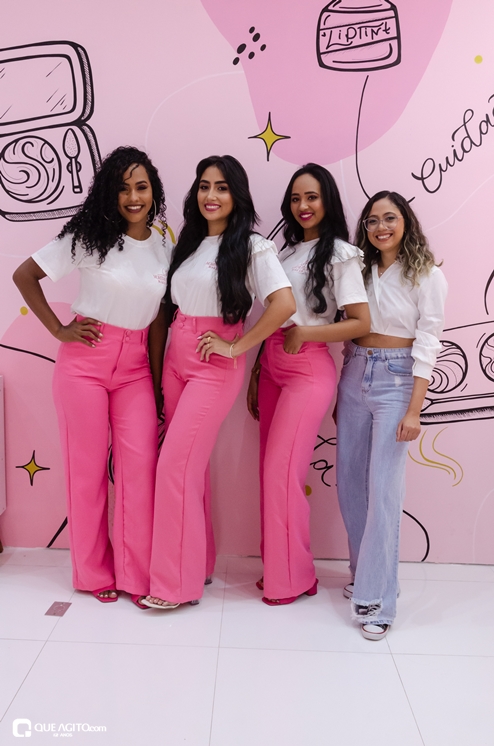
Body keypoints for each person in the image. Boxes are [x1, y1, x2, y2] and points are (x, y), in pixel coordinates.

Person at [13, 146, 170, 608]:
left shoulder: (164, 245)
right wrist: (59, 329)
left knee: (139, 471)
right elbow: (24, 275)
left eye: (141, 187)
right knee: (86, 473)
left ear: (154, 191)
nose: (133, 197)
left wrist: (156, 383)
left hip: (136, 368)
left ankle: (135, 573)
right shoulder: (88, 236)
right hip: (85, 363)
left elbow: (158, 320)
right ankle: (93, 572)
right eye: (123, 189)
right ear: (109, 193)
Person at [143, 155, 296, 609]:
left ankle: (174, 586)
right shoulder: (189, 243)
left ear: (237, 195)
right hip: (177, 358)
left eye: (222, 187)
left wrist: (237, 346)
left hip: (214, 363)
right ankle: (198, 565)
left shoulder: (251, 246)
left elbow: (283, 304)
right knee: (192, 469)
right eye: (205, 186)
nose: (211, 195)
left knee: (174, 467)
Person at [246, 163, 370, 605]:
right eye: (296, 198)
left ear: (327, 201)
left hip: (308, 368)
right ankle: (280, 568)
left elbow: (360, 321)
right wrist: (257, 369)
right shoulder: (284, 254)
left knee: (283, 474)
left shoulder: (341, 253)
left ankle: (294, 578)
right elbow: (272, 314)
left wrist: (306, 332)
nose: (303, 205)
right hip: (271, 366)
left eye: (312, 197)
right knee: (269, 472)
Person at [336, 191, 448, 640]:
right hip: (354, 372)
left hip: (397, 381)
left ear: (406, 222)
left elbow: (429, 341)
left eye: (389, 218)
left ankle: (378, 600)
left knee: (383, 490)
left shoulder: (428, 274)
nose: (380, 227)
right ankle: (367, 575)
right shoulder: (358, 269)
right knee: (350, 484)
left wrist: (414, 409)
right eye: (372, 221)